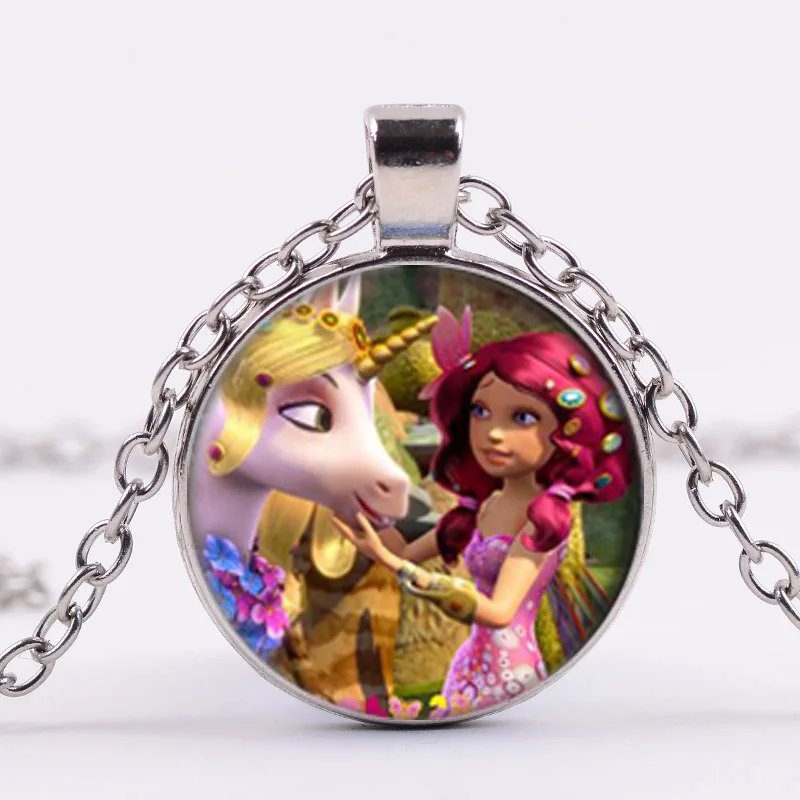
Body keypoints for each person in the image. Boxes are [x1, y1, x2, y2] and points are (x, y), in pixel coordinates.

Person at [333, 306, 633, 713]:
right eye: (480, 411)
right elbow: (405, 553)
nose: (492, 432)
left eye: (522, 417)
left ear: (565, 432)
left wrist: (395, 564)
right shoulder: (486, 506)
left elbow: (498, 611)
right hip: (470, 666)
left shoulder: (543, 520)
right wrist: (368, 523)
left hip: (508, 672)